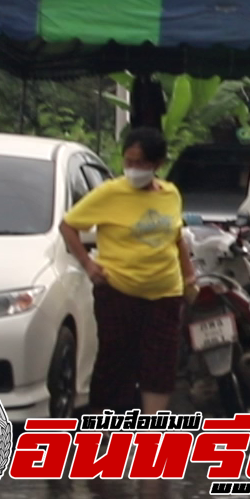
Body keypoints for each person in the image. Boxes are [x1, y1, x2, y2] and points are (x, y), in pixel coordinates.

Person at [61, 127, 196, 416]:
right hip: (119, 290)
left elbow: (177, 237)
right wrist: (88, 264)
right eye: (129, 161)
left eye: (141, 163)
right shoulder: (110, 193)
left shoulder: (170, 194)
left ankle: (151, 426)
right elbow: (68, 225)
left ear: (157, 165)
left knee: (160, 362)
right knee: (116, 359)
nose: (133, 169)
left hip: (165, 292)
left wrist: (189, 278)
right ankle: (110, 424)